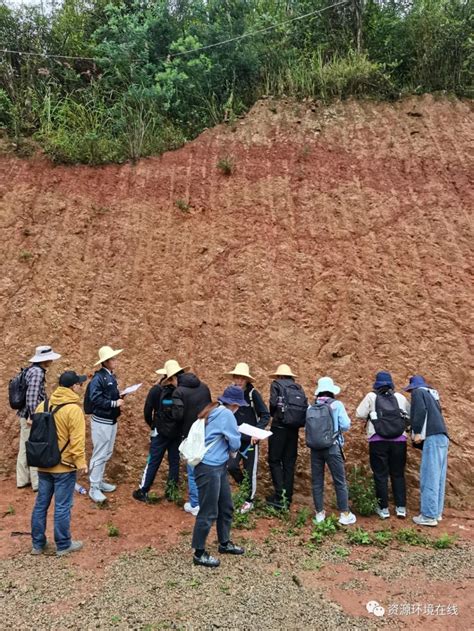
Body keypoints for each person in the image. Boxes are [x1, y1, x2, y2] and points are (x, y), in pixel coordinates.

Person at [31, 370, 87, 556]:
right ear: (73, 387)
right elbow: (77, 442)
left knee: (41, 505)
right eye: (79, 384)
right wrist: (81, 463)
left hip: (43, 464)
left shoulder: (42, 405)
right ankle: (63, 544)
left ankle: (38, 544)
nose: (81, 386)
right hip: (64, 466)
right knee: (62, 506)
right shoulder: (73, 410)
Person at [191, 386, 245, 567]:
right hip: (210, 467)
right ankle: (199, 553)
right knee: (208, 511)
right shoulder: (227, 415)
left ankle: (224, 543)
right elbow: (235, 441)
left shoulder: (213, 409)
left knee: (225, 505)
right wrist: (235, 449)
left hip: (215, 466)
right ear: (235, 404)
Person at [356, 371, 411, 519]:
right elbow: (409, 416)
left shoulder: (371, 396)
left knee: (380, 474)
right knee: (398, 474)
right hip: (399, 441)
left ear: (376, 383)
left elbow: (359, 413)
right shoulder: (400, 397)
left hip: (377, 440)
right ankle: (401, 508)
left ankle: (384, 509)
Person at [308, 377, 357, 525]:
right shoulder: (336, 405)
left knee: (317, 481)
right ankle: (344, 513)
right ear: (331, 391)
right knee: (339, 481)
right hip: (332, 447)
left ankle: (319, 514)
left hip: (315, 448)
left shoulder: (311, 407)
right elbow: (346, 425)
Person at [133, 364, 183, 502]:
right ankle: (171, 491)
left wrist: (154, 425)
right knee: (174, 461)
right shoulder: (182, 391)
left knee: (153, 461)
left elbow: (147, 412)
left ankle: (143, 490)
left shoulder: (156, 390)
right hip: (176, 433)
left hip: (160, 432)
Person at [404, 375, 449, 527]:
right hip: (442, 437)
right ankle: (436, 513)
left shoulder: (418, 392)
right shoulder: (432, 395)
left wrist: (416, 432)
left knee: (430, 476)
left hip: (432, 438)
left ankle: (429, 516)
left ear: (413, 387)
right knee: (439, 477)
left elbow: (421, 411)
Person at [225, 362, 270, 514]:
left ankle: (249, 500)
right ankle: (245, 488)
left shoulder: (252, 394)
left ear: (246, 380)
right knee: (231, 465)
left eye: (241, 378)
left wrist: (257, 432)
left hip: (251, 439)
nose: (238, 380)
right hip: (235, 439)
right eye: (236, 377)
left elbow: (265, 414)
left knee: (250, 469)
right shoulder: (230, 392)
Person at [17, 345, 61, 492]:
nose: (52, 361)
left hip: (25, 415)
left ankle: (22, 480)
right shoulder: (37, 373)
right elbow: (32, 396)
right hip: (31, 417)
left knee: (25, 446)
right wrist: (33, 416)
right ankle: (36, 483)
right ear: (45, 359)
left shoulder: (31, 370)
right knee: (35, 446)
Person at [172, 361, 211, 516]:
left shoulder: (179, 392)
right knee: (204, 468)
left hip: (189, 434)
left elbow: (178, 415)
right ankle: (205, 501)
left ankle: (195, 504)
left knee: (192, 469)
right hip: (205, 432)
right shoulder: (204, 387)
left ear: (175, 378)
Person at [267, 364, 307, 509]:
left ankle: (279, 497)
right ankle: (287, 498)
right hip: (293, 429)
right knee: (289, 463)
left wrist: (274, 415)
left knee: (274, 460)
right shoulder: (298, 387)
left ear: (278, 375)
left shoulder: (276, 384)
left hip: (279, 427)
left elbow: (272, 404)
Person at [88, 345, 124, 503]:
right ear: (106, 362)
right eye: (112, 359)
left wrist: (119, 396)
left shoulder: (109, 376)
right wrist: (114, 403)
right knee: (100, 453)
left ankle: (99, 481)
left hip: (110, 420)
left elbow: (105, 396)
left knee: (106, 452)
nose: (115, 361)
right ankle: (93, 487)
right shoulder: (98, 378)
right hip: (102, 421)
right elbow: (95, 398)